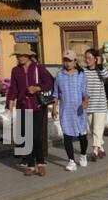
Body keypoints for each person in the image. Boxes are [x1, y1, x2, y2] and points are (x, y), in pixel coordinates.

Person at [5, 43, 53, 177]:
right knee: (27, 136)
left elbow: (50, 82)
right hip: (23, 105)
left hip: (38, 105)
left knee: (36, 136)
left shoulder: (39, 68)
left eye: (22, 55)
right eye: (18, 55)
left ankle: (41, 163)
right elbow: (13, 88)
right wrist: (10, 102)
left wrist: (37, 88)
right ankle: (31, 165)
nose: (20, 57)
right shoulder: (16, 70)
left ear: (28, 55)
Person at [54, 49, 89, 171]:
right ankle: (71, 161)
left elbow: (85, 92)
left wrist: (85, 102)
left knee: (82, 137)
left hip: (79, 111)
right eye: (65, 60)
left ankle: (83, 155)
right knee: (67, 136)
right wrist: (54, 108)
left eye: (69, 60)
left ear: (75, 61)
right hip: (66, 111)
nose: (67, 63)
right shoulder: (59, 75)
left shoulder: (81, 75)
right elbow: (56, 94)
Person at [83, 48, 108, 159]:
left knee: (98, 128)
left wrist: (100, 65)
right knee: (93, 129)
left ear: (95, 59)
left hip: (100, 105)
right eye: (86, 58)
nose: (87, 60)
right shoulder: (83, 71)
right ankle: (101, 148)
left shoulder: (101, 71)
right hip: (88, 105)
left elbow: (107, 76)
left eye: (89, 58)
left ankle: (94, 151)